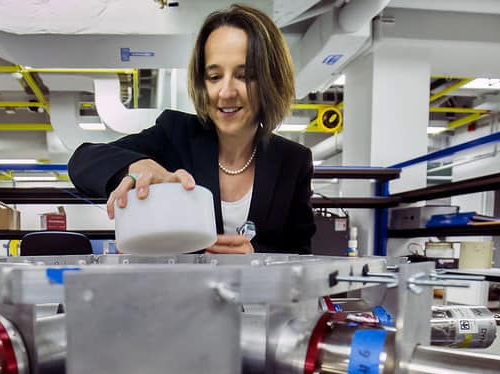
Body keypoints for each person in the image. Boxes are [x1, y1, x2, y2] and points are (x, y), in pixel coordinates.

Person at [68, 4, 316, 254]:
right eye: (214, 77)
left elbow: (300, 253)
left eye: (245, 76)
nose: (226, 92)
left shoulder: (293, 161)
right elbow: (82, 161)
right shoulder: (175, 134)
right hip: (183, 292)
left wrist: (255, 259)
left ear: (271, 80)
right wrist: (138, 168)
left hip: (259, 293)